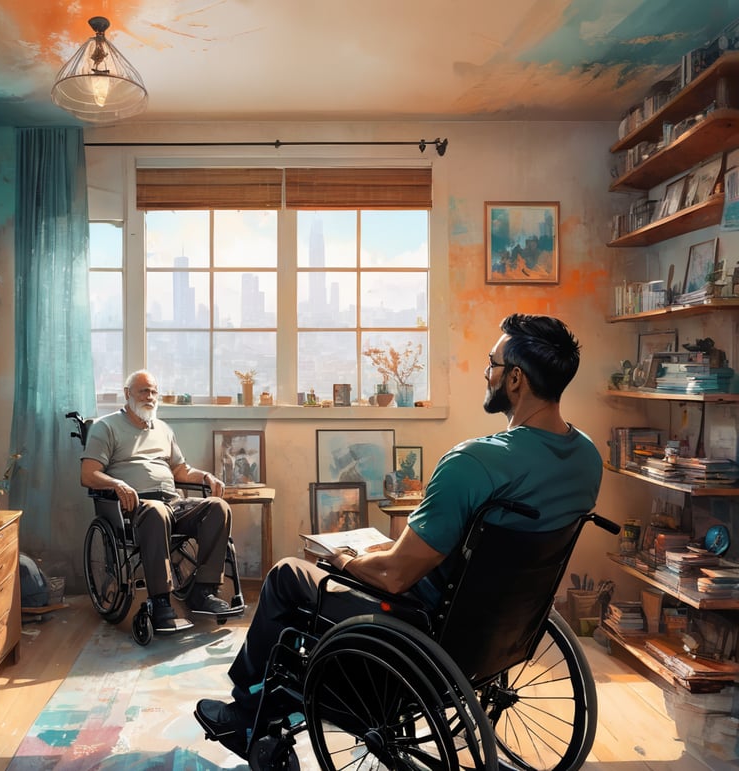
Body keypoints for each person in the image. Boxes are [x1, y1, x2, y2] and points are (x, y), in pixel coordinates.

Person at [196, 313, 604, 757]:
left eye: (493, 363)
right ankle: (271, 703)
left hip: (422, 626)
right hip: (498, 629)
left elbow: (394, 577)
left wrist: (346, 561)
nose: (487, 373)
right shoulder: (586, 458)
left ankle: (245, 711)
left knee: (288, 577)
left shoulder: (474, 463)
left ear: (516, 379)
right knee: (360, 563)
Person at [81, 369, 236, 633]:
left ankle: (203, 591)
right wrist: (117, 483)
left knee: (218, 507)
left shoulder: (163, 429)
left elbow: (180, 470)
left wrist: (206, 476)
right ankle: (161, 601)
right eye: (144, 391)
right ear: (128, 394)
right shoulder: (105, 427)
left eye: (154, 391)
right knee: (155, 511)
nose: (150, 397)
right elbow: (88, 474)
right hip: (135, 507)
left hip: (173, 503)